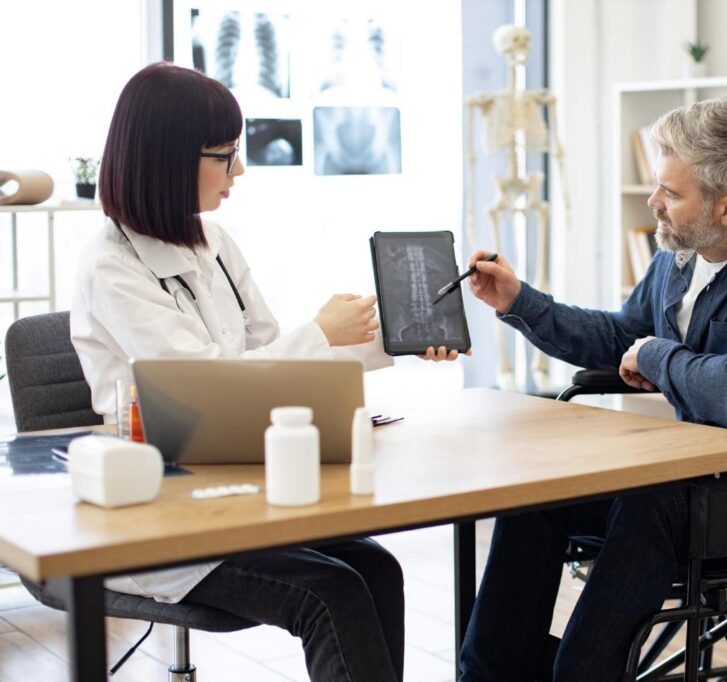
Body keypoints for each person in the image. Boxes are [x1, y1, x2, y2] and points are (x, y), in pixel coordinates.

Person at [71, 62, 460, 681]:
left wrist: (393, 339)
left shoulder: (214, 242)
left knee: (377, 567)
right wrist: (320, 333)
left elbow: (273, 365)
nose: (240, 170)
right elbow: (207, 392)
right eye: (225, 155)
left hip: (239, 488)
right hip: (161, 512)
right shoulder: (110, 266)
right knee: (329, 591)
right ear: (168, 158)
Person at [458, 97, 727, 680]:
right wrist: (521, 302)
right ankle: (488, 674)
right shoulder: (680, 257)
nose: (653, 202)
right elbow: (618, 335)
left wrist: (660, 355)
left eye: (671, 192)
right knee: (534, 496)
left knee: (652, 499)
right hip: (697, 471)